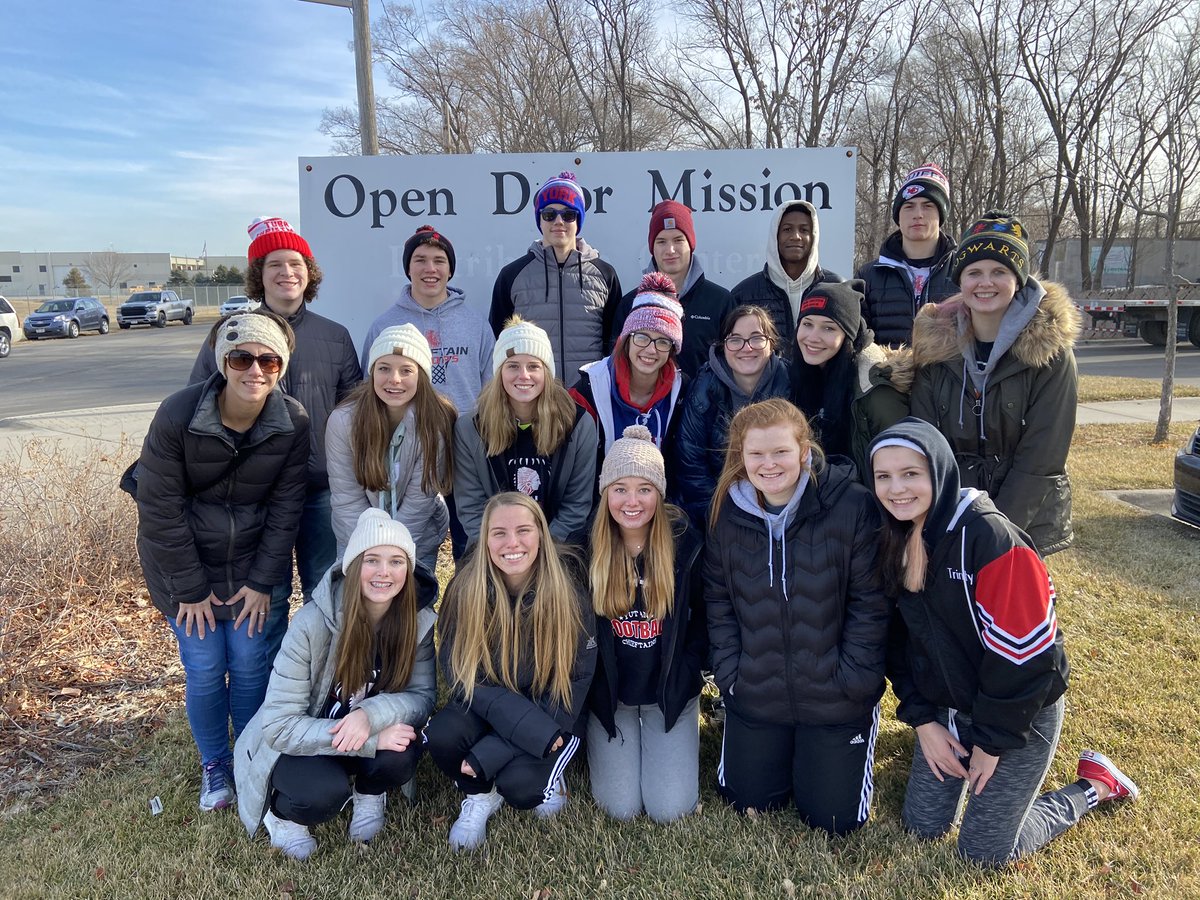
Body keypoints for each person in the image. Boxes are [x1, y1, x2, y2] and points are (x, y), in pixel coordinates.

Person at [869, 418, 1139, 866]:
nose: (897, 488)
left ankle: (1096, 785)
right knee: (921, 827)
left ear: (939, 470)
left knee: (985, 852)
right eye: (884, 476)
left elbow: (1029, 660)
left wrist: (991, 743)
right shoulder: (894, 534)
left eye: (911, 473)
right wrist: (924, 723)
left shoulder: (991, 539)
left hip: (1019, 713)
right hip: (951, 706)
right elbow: (899, 646)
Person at [137, 311, 310, 811]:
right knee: (207, 666)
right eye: (242, 358)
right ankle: (215, 763)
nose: (255, 370)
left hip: (254, 565)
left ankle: (250, 755)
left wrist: (263, 582)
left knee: (253, 665)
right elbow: (159, 510)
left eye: (269, 360)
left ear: (281, 367)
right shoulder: (177, 414)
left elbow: (286, 509)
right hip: (184, 565)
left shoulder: (293, 421)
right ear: (223, 362)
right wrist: (189, 588)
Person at [705, 399, 889, 835]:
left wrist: (855, 680)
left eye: (781, 452)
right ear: (741, 458)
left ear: (804, 451)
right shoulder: (727, 514)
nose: (769, 464)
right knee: (747, 801)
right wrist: (732, 675)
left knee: (832, 820)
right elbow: (718, 601)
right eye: (756, 454)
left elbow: (871, 603)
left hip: (835, 695)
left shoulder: (852, 506)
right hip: (757, 691)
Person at [189, 217, 361, 657]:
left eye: (296, 263)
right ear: (258, 276)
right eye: (275, 265)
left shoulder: (335, 337)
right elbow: (199, 406)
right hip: (255, 495)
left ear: (310, 273)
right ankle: (272, 697)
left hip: (321, 491)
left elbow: (356, 414)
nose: (287, 272)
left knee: (326, 590)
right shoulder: (231, 335)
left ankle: (323, 681)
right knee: (267, 597)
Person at [234, 509, 438, 860]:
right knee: (320, 794)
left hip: (355, 732)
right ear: (353, 567)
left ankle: (368, 791)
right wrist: (372, 739)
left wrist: (370, 715)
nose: (384, 573)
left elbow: (422, 697)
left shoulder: (415, 622)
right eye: (372, 560)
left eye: (396, 561)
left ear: (409, 568)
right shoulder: (313, 623)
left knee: (402, 751)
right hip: (300, 743)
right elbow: (279, 726)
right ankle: (283, 816)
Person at [425, 492, 596, 851]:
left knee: (522, 788)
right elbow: (460, 673)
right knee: (443, 734)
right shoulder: (465, 588)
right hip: (487, 707)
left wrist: (489, 752)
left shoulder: (569, 592)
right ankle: (480, 795)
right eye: (499, 533)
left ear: (541, 535)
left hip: (550, 715)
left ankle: (548, 771)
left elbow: (574, 685)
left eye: (523, 530)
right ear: (485, 539)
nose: (512, 543)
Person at [910, 211, 1079, 556]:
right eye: (974, 272)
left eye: (999, 271)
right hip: (950, 515)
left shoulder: (1050, 354)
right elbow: (926, 443)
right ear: (960, 280)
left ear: (1018, 278)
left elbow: (1042, 458)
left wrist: (996, 532)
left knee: (1011, 608)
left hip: (1024, 521)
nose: (985, 283)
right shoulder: (934, 348)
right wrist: (946, 519)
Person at [585, 426, 706, 823]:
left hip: (666, 693)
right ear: (605, 494)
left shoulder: (686, 541)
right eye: (620, 489)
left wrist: (688, 673)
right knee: (619, 808)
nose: (632, 501)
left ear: (660, 492)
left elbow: (706, 620)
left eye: (644, 489)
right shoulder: (586, 546)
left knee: (669, 809)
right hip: (614, 697)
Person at [361, 225, 496, 560]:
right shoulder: (385, 325)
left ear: (450, 269)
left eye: (439, 260)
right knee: (413, 549)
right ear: (408, 268)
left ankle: (470, 610)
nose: (430, 269)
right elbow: (370, 390)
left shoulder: (476, 323)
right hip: (410, 451)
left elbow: (492, 387)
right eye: (420, 260)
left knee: (471, 547)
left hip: (466, 448)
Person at [453, 316, 598, 547]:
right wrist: (507, 549)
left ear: (547, 372)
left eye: (533, 366)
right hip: (495, 550)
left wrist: (541, 550)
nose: (524, 375)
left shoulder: (577, 424)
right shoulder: (471, 428)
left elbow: (576, 506)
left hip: (557, 549)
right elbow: (471, 509)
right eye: (512, 366)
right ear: (499, 371)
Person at [326, 324, 457, 577]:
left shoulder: (435, 422)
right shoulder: (343, 421)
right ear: (372, 372)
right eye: (384, 368)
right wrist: (369, 554)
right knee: (359, 608)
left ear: (422, 376)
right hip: (356, 535)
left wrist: (395, 554)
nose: (394, 379)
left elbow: (421, 498)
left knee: (411, 606)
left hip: (417, 534)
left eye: (406, 370)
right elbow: (346, 499)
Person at [489, 171, 623, 379]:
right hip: (533, 397)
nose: (559, 221)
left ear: (578, 220)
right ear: (540, 220)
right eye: (549, 214)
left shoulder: (605, 275)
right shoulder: (512, 276)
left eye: (568, 214)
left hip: (590, 397)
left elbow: (616, 345)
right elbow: (498, 344)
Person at [674, 305, 791, 529]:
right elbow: (691, 464)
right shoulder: (704, 388)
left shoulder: (791, 382)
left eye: (756, 338)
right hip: (720, 510)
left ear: (771, 343)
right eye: (735, 339)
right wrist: (722, 519)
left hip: (782, 508)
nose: (746, 348)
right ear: (723, 346)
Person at [788, 279, 911, 477]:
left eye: (828, 328)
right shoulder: (801, 373)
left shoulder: (875, 389)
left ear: (848, 336)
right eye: (807, 324)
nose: (812, 337)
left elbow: (901, 464)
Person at [570, 273, 687, 471]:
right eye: (642, 337)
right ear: (626, 340)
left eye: (663, 341)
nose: (651, 349)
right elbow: (574, 467)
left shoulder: (683, 392)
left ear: (672, 349)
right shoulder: (589, 390)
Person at [609, 200, 735, 378]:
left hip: (706, 405)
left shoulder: (720, 302)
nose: (670, 250)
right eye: (661, 241)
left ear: (690, 245)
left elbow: (733, 365)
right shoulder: (631, 303)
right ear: (652, 247)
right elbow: (616, 363)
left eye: (678, 240)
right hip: (647, 405)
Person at [857, 164, 958, 346]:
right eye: (909, 206)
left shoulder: (965, 270)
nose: (918, 214)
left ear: (941, 214)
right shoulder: (869, 275)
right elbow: (859, 342)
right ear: (898, 215)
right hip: (887, 373)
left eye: (927, 206)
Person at [730, 199, 841, 358]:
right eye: (787, 229)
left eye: (804, 230)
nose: (796, 236)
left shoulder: (837, 287)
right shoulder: (744, 293)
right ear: (775, 235)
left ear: (814, 236)